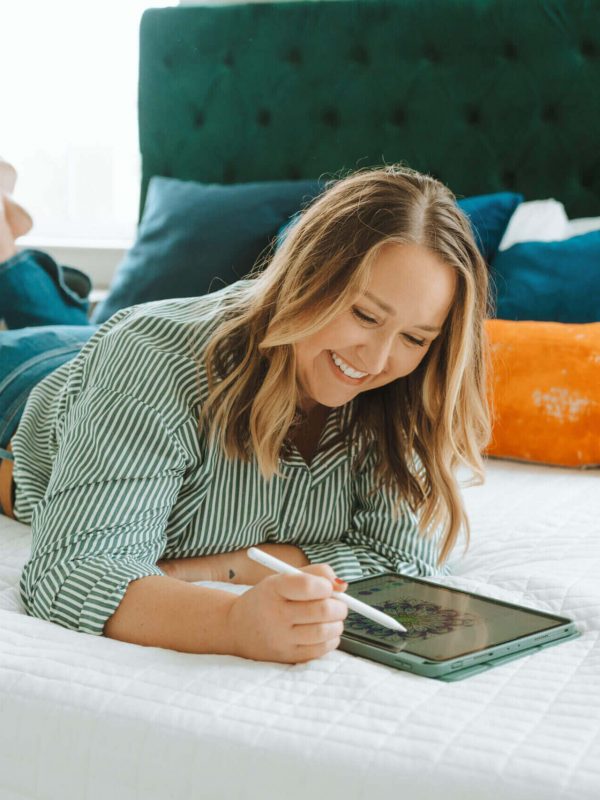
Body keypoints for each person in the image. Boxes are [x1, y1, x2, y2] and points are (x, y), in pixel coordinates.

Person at [0, 163, 491, 665]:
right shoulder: (150, 358)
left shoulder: (405, 388)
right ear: (307, 274)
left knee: (76, 328)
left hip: (108, 361)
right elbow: (70, 574)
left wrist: (217, 571)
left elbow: (402, 566)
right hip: (21, 392)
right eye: (364, 315)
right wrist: (233, 623)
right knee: (50, 337)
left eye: (415, 338)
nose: (376, 360)